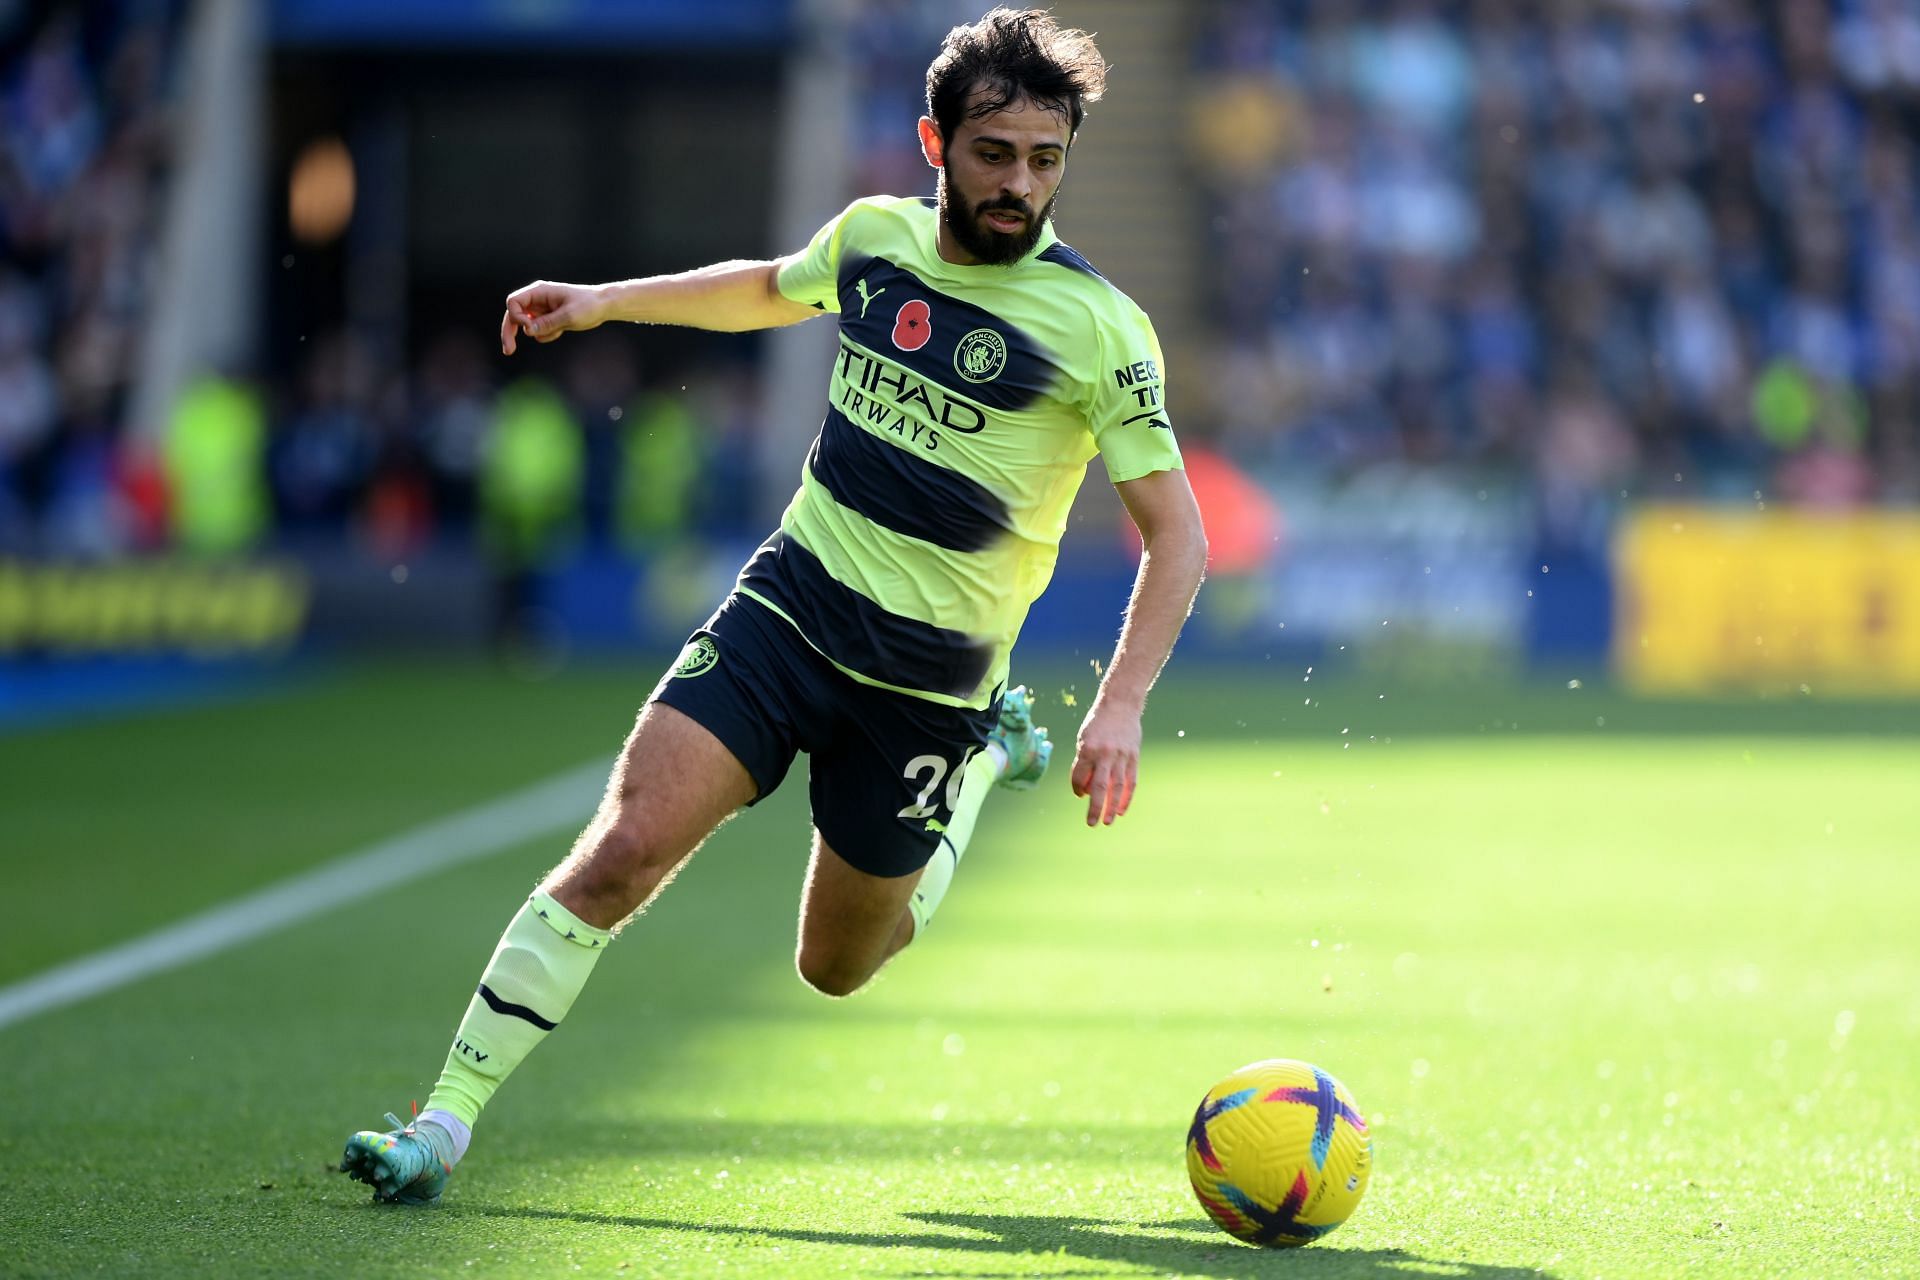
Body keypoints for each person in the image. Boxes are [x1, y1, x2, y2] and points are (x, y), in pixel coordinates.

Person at [339, 7, 1207, 1205]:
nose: (1020, 184)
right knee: (621, 852)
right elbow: (764, 288)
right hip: (787, 614)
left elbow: (1179, 536)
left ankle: (972, 779)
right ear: (935, 142)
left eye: (1045, 160)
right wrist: (601, 300)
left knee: (836, 967)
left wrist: (1120, 704)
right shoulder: (871, 241)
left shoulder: (1102, 329)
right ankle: (442, 1124)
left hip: (923, 690)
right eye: (995, 153)